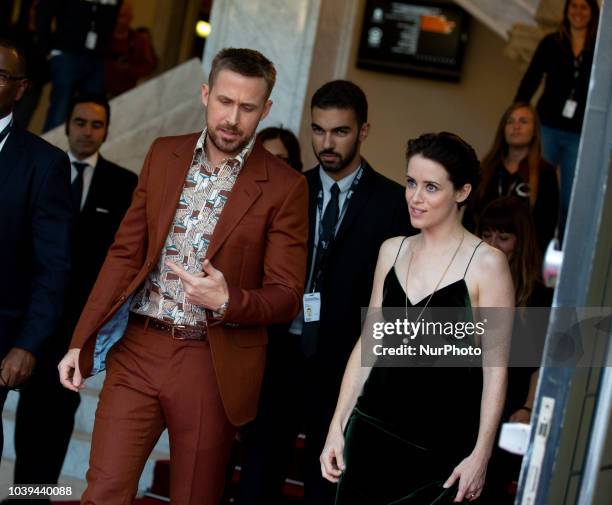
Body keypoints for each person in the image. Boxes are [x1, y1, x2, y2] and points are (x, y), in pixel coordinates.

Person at [57, 48, 308, 505]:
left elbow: (288, 294)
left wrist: (229, 300)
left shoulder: (286, 186)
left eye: (248, 108)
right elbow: (124, 254)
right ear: (205, 93)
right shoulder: (164, 153)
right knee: (105, 490)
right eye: (224, 102)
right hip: (138, 347)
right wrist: (80, 339)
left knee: (195, 496)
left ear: (266, 109)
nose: (233, 118)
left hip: (209, 361)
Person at [235, 80, 413, 505]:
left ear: (364, 131)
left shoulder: (393, 204)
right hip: (278, 353)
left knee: (326, 487)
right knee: (257, 476)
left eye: (340, 131)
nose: (326, 143)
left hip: (342, 363)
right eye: (318, 130)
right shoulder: (288, 188)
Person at [321, 132, 514, 504]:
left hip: (439, 451)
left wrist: (481, 453)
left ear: (462, 192)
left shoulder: (488, 264)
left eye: (431, 187)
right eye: (411, 182)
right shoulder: (392, 251)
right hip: (369, 434)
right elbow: (369, 345)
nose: (415, 197)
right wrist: (336, 426)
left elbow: (496, 369)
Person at [8, 93, 137, 496]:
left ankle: (36, 496)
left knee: (58, 417)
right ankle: (21, 496)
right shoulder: (40, 166)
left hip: (79, 326)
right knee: (28, 417)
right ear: (67, 125)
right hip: (32, 317)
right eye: (80, 122)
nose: (87, 131)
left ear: (106, 131)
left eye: (96, 125)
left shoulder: (123, 184)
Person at [0, 39, 72, 460]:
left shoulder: (44, 164)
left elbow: (53, 266)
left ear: (21, 88)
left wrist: (27, 344)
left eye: (1, 76)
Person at [477, 196, 553, 503]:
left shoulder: (537, 297)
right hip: (467, 406)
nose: (493, 244)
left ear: (520, 242)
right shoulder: (469, 282)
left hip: (510, 411)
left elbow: (542, 364)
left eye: (504, 237)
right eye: (487, 234)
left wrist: (527, 408)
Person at [515, 0, 600, 237]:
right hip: (548, 126)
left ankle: (562, 245)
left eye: (584, 7)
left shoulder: (599, 48)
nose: (578, 12)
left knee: (569, 194)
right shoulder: (552, 42)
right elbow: (532, 77)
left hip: (578, 131)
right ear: (566, 11)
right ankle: (530, 237)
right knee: (538, 185)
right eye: (574, 6)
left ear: (592, 13)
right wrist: (518, 108)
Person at [469, 102, 560, 254]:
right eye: (510, 121)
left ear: (535, 131)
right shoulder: (486, 168)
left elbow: (547, 226)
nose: (516, 126)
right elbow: (470, 217)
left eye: (523, 121)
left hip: (524, 259)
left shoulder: (545, 172)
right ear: (503, 129)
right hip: (480, 254)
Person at [36, 0, 123, 131]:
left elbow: (113, 17)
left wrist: (105, 47)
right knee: (59, 111)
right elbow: (44, 10)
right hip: (66, 52)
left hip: (97, 56)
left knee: (91, 111)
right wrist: (47, 48)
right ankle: (48, 150)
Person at [104, 0, 157, 97]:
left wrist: (129, 69)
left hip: (125, 93)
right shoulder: (101, 37)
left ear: (130, 18)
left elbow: (149, 65)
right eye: (115, 15)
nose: (117, 20)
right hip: (99, 90)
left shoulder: (139, 41)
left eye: (122, 16)